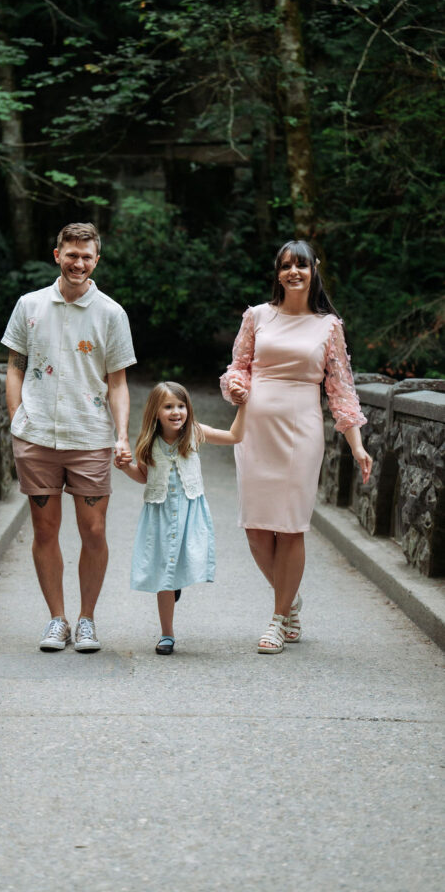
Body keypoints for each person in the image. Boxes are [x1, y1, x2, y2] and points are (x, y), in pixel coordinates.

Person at [221, 239, 372, 654]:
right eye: (286, 266)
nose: (293, 272)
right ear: (278, 272)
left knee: (289, 527)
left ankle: (277, 616)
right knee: (255, 528)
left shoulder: (328, 327)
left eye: (301, 266)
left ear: (314, 270)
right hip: (254, 429)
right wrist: (235, 386)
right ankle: (290, 598)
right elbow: (239, 366)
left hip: (300, 432)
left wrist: (357, 445)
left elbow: (341, 391)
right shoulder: (257, 317)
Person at [2, 221, 136, 653]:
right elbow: (14, 366)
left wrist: (121, 435)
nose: (78, 262)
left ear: (97, 260)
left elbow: (118, 382)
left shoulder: (111, 314)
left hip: (90, 435)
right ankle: (57, 619)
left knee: (93, 530)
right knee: (45, 530)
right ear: (57, 254)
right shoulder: (29, 305)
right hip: (37, 435)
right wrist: (16, 419)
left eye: (87, 255)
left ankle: (87, 620)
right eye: (71, 253)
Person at [116, 381, 245, 655]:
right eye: (168, 406)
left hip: (189, 513)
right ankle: (167, 634)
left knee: (181, 564)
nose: (176, 412)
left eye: (181, 405)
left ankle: (174, 584)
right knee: (164, 574)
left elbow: (235, 436)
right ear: (156, 412)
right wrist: (125, 465)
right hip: (160, 515)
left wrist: (243, 405)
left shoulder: (195, 434)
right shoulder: (149, 443)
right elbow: (143, 477)